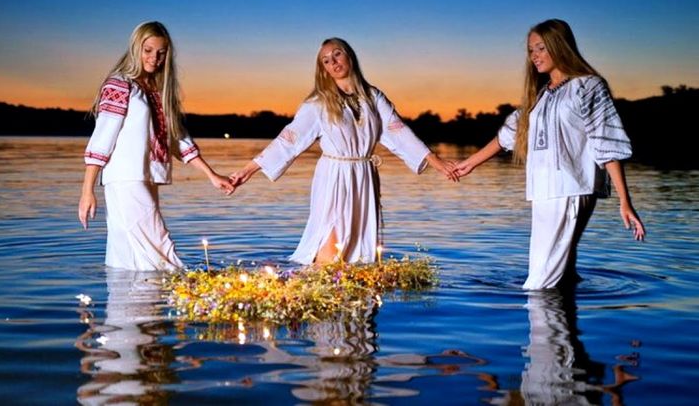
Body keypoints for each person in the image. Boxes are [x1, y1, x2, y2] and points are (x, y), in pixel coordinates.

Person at [230, 37, 458, 265]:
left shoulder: (373, 97)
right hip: (334, 176)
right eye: (326, 60)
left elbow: (398, 131)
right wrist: (246, 171)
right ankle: (313, 276)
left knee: (357, 247)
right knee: (332, 237)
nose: (333, 62)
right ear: (324, 70)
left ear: (350, 56)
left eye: (337, 54)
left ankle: (342, 283)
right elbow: (288, 140)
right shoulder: (318, 103)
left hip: (364, 175)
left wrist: (436, 162)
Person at [456, 19, 645, 290]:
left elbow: (606, 143)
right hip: (543, 192)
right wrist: (468, 164)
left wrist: (625, 201)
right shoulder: (540, 95)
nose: (534, 56)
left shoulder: (588, 86)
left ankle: (543, 317)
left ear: (559, 46)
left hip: (570, 188)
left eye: (541, 48)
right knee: (559, 272)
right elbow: (508, 135)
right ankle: (564, 314)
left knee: (539, 283)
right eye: (531, 50)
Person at [78, 21, 233, 272]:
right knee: (160, 248)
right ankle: (190, 287)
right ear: (135, 48)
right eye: (148, 50)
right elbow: (102, 139)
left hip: (145, 178)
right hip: (125, 178)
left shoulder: (158, 90)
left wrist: (211, 175)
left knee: (129, 257)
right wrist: (87, 191)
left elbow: (178, 139)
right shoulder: (119, 85)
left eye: (161, 52)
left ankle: (133, 296)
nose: (155, 58)